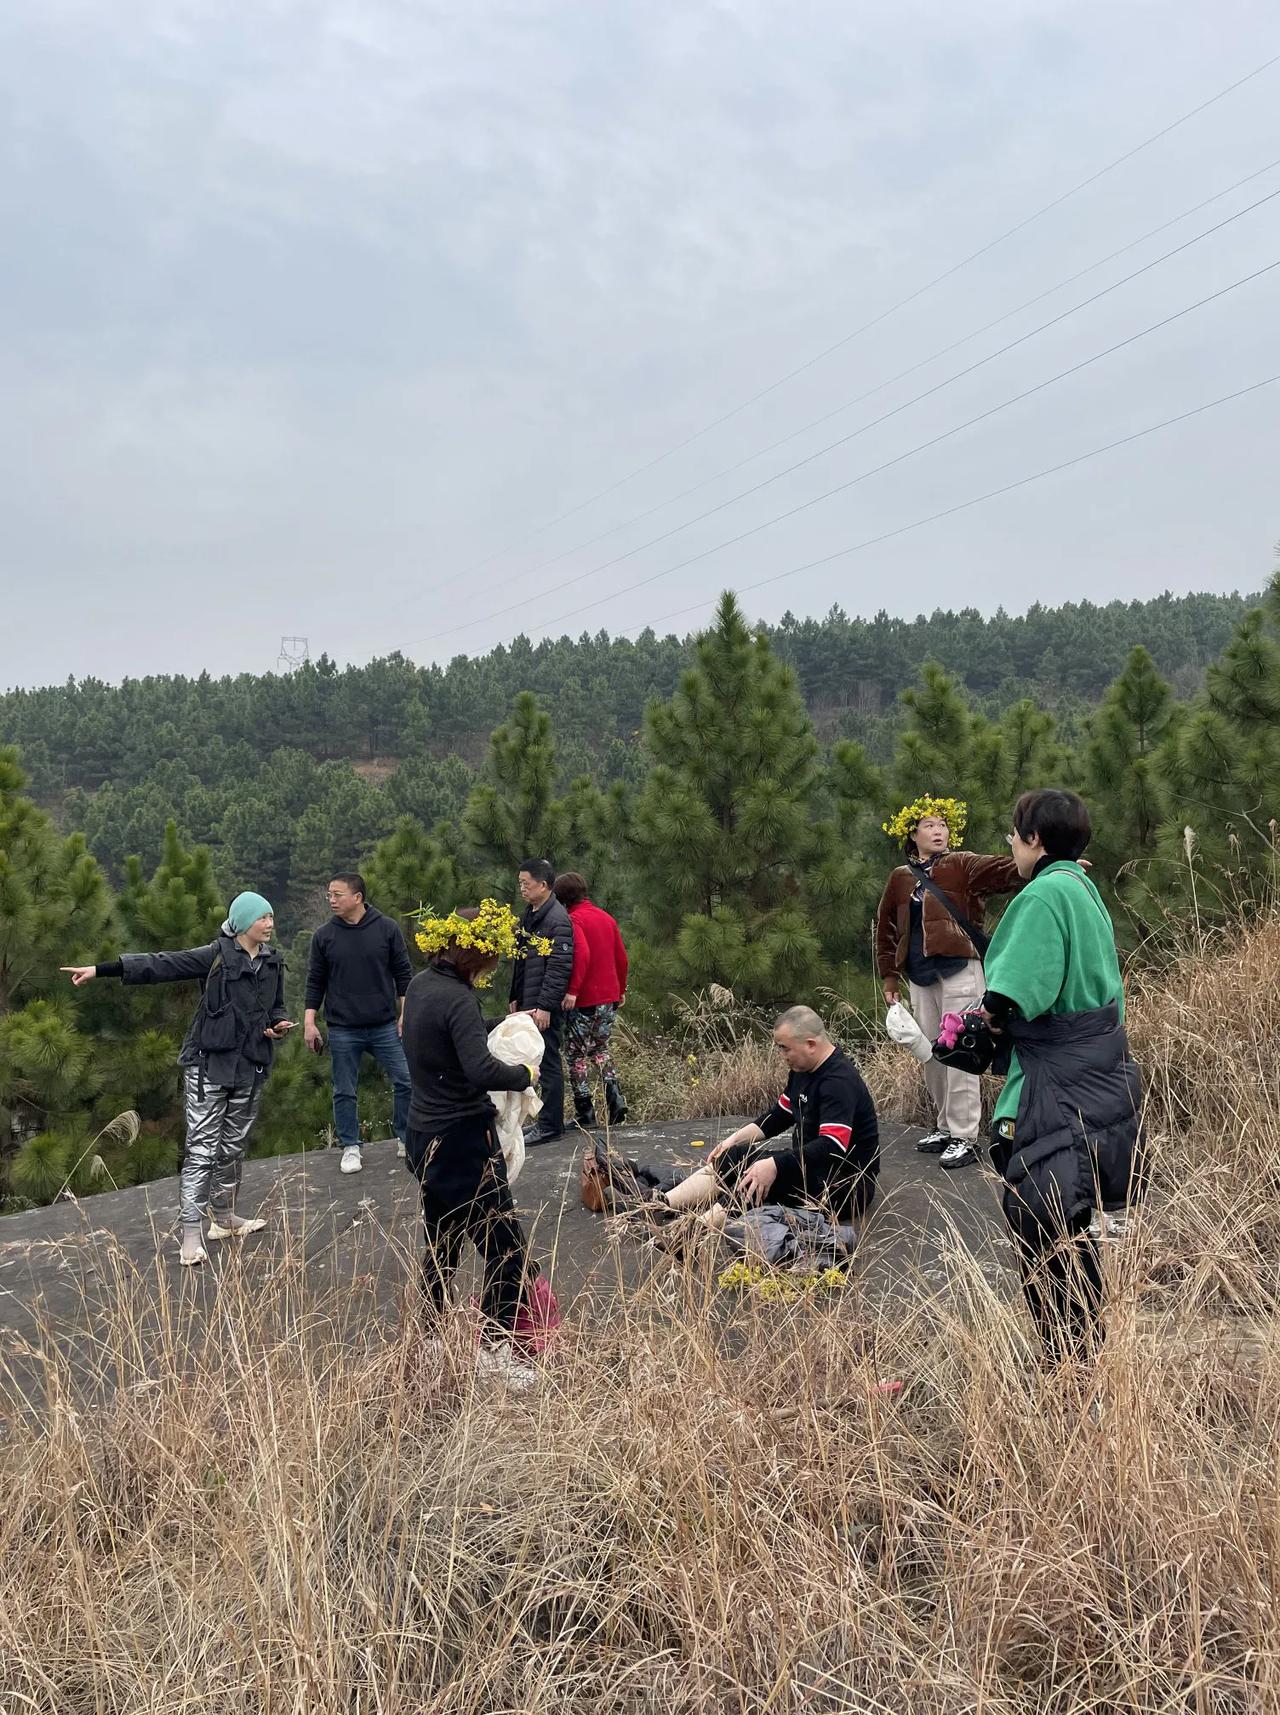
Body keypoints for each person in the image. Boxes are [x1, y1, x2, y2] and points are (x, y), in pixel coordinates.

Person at [974, 789, 1140, 1365]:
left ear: (1036, 840)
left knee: (1046, 1235)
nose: (1011, 846)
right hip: (1102, 1078)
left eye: (1014, 835)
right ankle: (1088, 1364)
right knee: (1081, 1231)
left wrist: (980, 1023)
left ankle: (1067, 1374)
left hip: (1053, 1088)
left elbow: (1016, 992)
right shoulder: (1081, 887)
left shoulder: (1044, 895)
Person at [61, 891, 293, 1266]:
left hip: (250, 1065)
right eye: (262, 918)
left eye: (270, 916)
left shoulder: (272, 963)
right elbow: (161, 964)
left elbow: (275, 1006)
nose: (269, 924)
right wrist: (102, 969)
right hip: (208, 1066)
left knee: (233, 1147)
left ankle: (224, 1217)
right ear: (243, 922)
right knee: (202, 1150)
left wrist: (277, 1026)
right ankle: (190, 1234)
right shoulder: (215, 955)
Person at [401, 905, 543, 1391]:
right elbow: (482, 1071)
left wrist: (494, 1025)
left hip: (423, 1137)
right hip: (463, 1140)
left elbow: (446, 1038)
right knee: (507, 1248)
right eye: (492, 959)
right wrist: (522, 1075)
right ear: (477, 956)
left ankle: (428, 1343)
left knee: (442, 1244)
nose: (493, 969)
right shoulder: (456, 999)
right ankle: (495, 1351)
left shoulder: (422, 987)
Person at [875, 796, 1020, 1170]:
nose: (939, 831)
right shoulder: (900, 877)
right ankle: (943, 1125)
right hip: (920, 975)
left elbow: (1006, 870)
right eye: (930, 825)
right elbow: (887, 929)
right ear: (912, 833)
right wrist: (890, 974)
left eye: (943, 825)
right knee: (932, 1053)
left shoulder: (961, 864)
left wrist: (1053, 866)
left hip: (960, 970)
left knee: (961, 1052)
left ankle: (964, 1135)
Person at [660, 1006, 879, 1226]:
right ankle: (660, 1205)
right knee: (734, 1156)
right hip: (811, 1168)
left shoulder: (838, 1081)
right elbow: (779, 1115)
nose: (782, 1056)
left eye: (785, 1049)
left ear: (811, 1044)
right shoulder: (802, 1070)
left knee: (759, 1179)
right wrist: (732, 1141)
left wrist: (775, 1165)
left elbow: (832, 1145)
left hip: (845, 1185)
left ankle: (688, 1233)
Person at [304, 872, 413, 1175]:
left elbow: (403, 974)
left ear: (358, 897)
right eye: (329, 894)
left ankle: (405, 1136)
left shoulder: (387, 928)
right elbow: (315, 981)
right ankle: (350, 1146)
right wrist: (309, 1023)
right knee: (344, 1090)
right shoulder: (324, 936)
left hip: (384, 1024)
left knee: (406, 1080)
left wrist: (406, 1013)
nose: (331, 900)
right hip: (342, 1027)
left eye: (337, 894)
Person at [552, 871, 629, 1130]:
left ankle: (585, 1112)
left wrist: (572, 990)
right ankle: (615, 1097)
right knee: (600, 1049)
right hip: (609, 998)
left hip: (584, 999)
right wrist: (621, 989)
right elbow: (622, 957)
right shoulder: (606, 918)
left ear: (561, 897)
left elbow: (582, 955)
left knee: (576, 1056)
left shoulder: (573, 920)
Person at [508, 858, 574, 1147]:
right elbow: (521, 961)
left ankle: (550, 1125)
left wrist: (546, 1005)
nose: (522, 888)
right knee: (534, 1060)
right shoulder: (532, 914)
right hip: (528, 1000)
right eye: (520, 883)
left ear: (543, 885)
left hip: (543, 1006)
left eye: (527, 883)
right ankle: (544, 1120)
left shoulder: (556, 919)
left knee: (548, 1062)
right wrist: (515, 996)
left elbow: (559, 968)